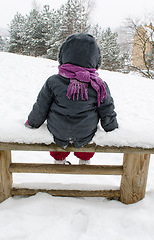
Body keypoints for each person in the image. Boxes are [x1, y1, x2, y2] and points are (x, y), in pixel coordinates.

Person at [25, 33, 118, 165]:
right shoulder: (98, 85)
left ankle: (59, 158)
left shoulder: (53, 81)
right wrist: (111, 128)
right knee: (86, 138)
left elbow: (41, 106)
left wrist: (32, 123)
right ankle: (84, 160)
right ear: (96, 60)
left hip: (58, 130)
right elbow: (106, 109)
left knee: (59, 137)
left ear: (63, 56)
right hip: (86, 131)